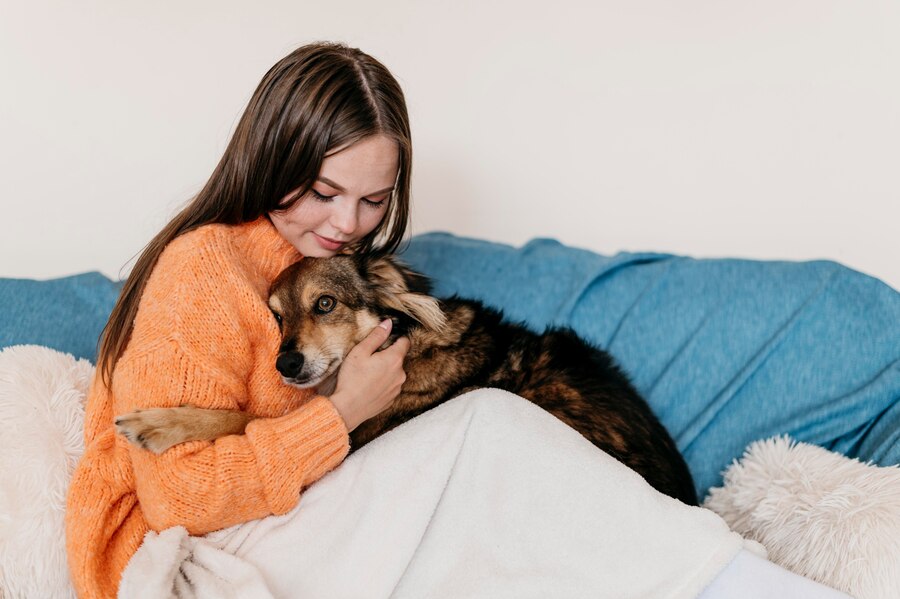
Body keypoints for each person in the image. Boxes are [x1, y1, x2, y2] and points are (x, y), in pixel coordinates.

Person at [65, 42, 413, 598]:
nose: (349, 223)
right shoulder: (202, 273)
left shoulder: (330, 266)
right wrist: (341, 412)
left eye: (374, 200)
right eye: (325, 192)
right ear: (274, 159)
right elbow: (178, 496)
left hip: (286, 520)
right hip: (172, 553)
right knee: (484, 429)